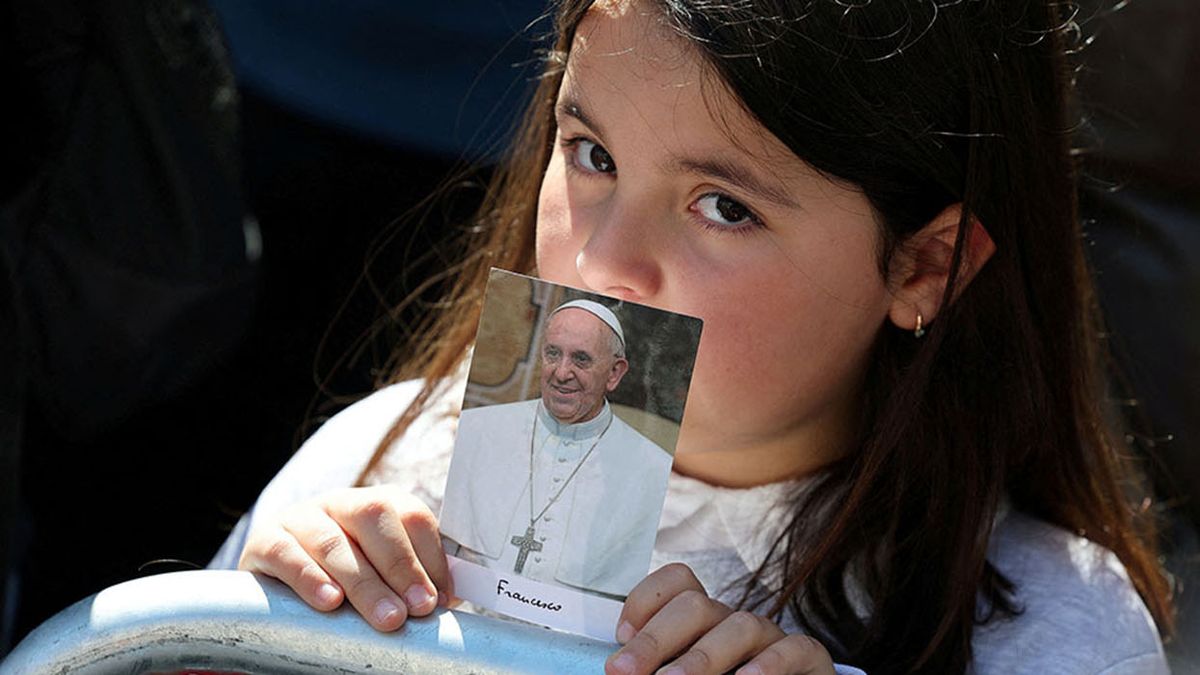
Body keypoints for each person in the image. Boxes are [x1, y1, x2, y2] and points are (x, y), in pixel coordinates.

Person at [214, 0, 1176, 672]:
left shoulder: (1058, 628)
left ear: (922, 267)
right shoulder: (387, 465)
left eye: (724, 207)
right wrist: (245, 631)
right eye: (592, 155)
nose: (606, 261)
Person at [441, 300, 672, 597]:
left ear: (614, 373)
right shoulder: (478, 428)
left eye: (581, 360)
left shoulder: (651, 468)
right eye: (553, 354)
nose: (561, 373)